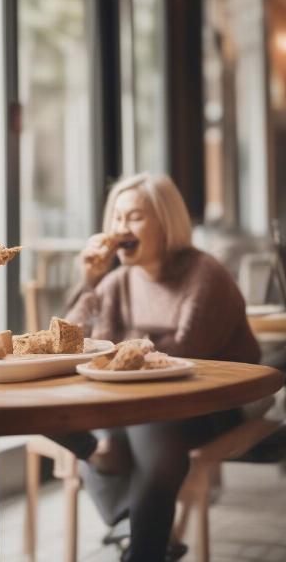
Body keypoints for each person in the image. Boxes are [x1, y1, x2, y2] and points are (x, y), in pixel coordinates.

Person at [63, 173, 261, 562]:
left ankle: (138, 542)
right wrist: (88, 281)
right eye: (117, 219)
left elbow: (187, 354)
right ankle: (141, 536)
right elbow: (70, 342)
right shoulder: (117, 281)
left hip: (215, 402)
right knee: (99, 423)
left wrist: (116, 359)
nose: (121, 229)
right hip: (141, 405)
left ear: (165, 223)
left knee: (136, 425)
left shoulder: (204, 274)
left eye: (134, 217)